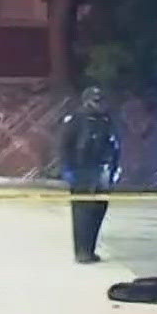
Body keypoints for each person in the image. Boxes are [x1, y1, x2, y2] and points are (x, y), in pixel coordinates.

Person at [59, 86, 121, 264]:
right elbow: (64, 146)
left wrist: (115, 168)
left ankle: (91, 249)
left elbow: (115, 146)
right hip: (82, 171)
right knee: (82, 213)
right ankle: (81, 251)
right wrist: (67, 169)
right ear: (86, 101)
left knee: (98, 211)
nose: (100, 104)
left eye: (101, 101)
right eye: (96, 101)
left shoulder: (106, 120)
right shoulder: (76, 120)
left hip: (102, 172)